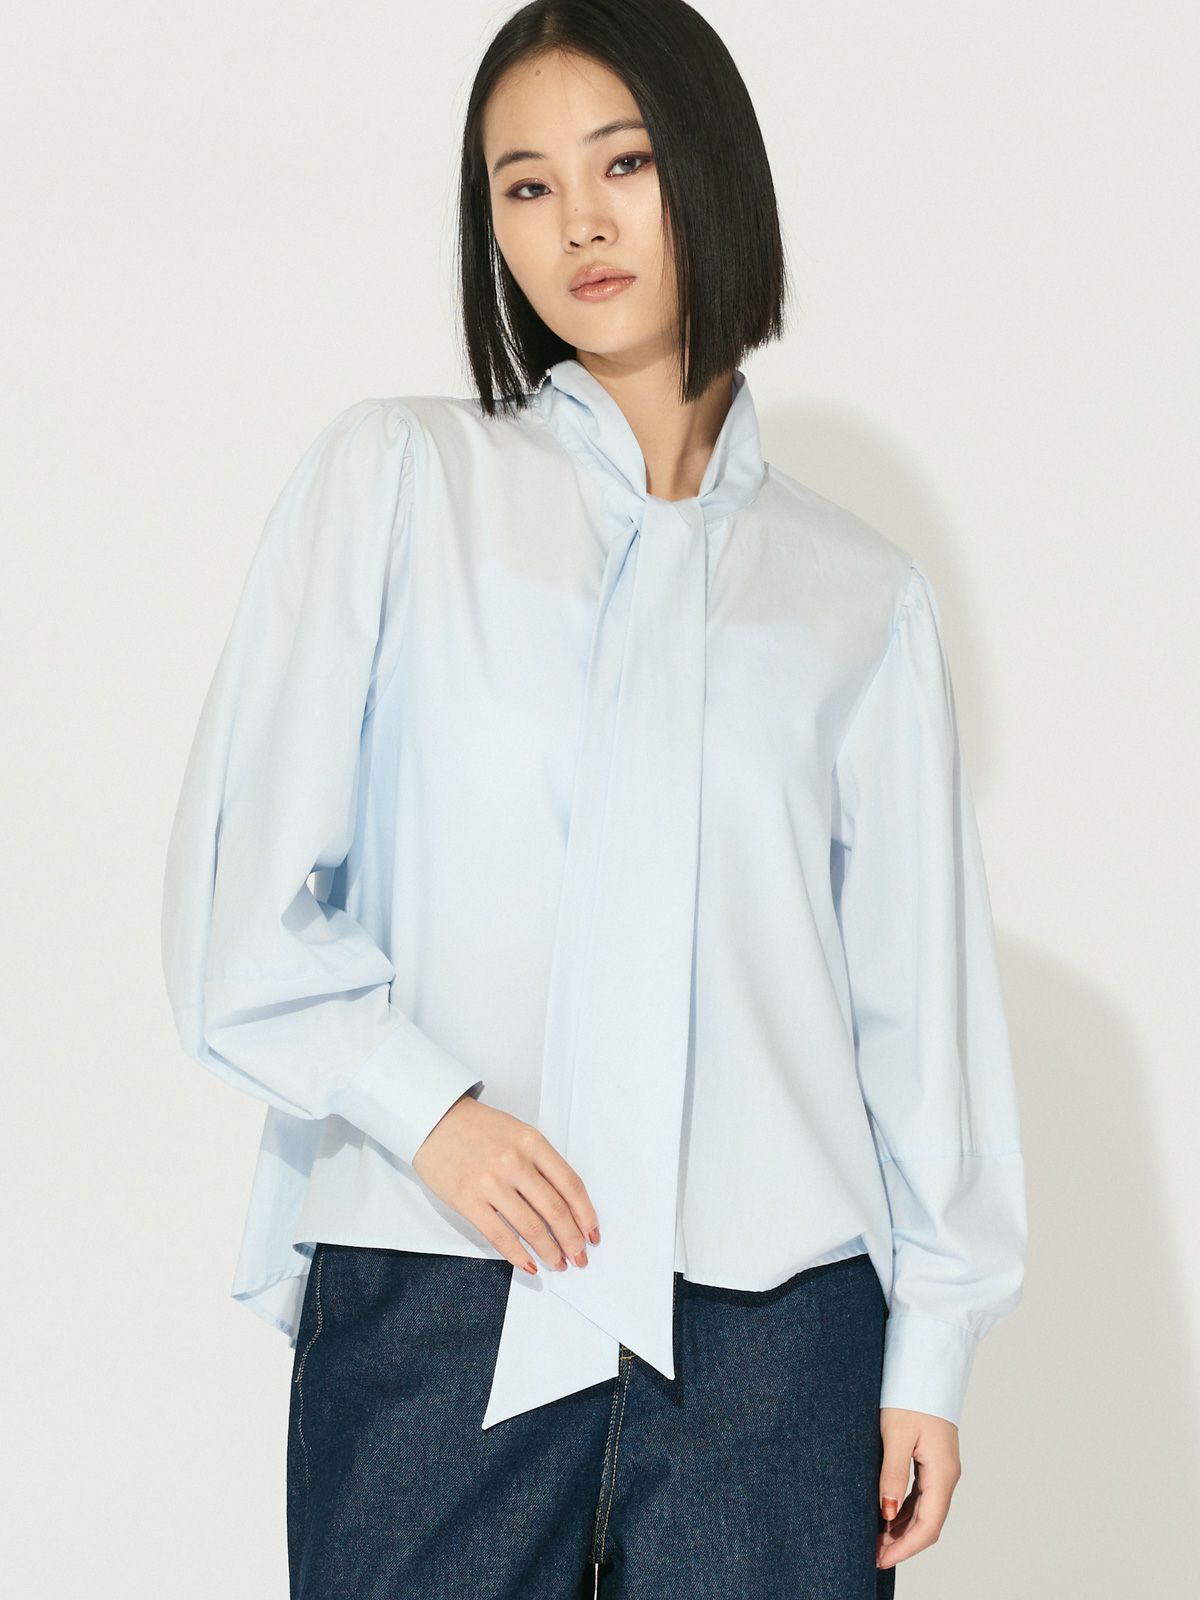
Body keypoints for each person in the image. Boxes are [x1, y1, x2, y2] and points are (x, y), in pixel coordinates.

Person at [160, 1, 1028, 1595]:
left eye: (622, 163)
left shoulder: (859, 596)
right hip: (444, 1291)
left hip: (778, 1344)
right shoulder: (399, 481)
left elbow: (919, 1010)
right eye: (525, 185)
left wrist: (933, 1348)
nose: (579, 222)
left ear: (710, 169)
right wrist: (429, 1110)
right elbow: (240, 903)